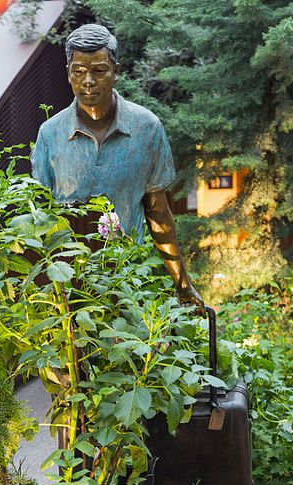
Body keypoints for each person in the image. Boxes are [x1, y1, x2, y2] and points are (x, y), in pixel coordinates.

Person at [32, 23, 205, 315]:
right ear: (68, 73)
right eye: (78, 71)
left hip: (131, 283)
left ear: (116, 71)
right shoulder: (49, 135)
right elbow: (41, 220)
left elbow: (158, 212)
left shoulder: (147, 128)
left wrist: (182, 283)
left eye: (99, 70)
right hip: (72, 293)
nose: (88, 80)